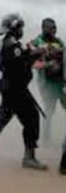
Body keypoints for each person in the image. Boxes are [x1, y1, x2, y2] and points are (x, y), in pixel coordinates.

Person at [0, 13, 48, 170]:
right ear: (15, 28)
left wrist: (30, 54)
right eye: (20, 27)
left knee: (5, 115)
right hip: (16, 88)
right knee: (31, 118)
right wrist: (34, 56)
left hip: (10, 87)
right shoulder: (12, 46)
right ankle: (29, 158)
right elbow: (19, 66)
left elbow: (19, 60)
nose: (22, 30)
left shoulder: (10, 43)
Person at [30, 18, 66, 147]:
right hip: (47, 84)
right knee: (49, 112)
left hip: (61, 84)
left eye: (55, 28)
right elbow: (33, 64)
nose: (54, 30)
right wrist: (48, 64)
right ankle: (46, 138)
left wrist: (60, 64)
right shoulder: (36, 43)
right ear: (43, 28)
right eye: (51, 28)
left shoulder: (59, 42)